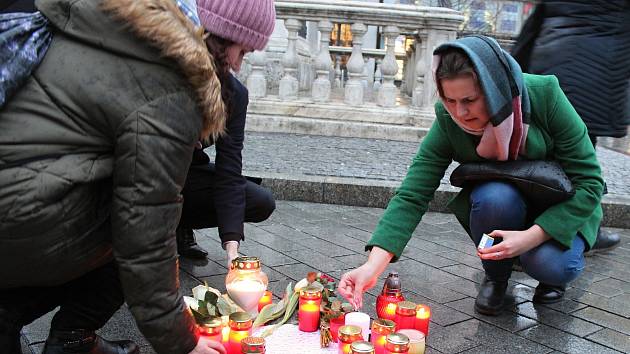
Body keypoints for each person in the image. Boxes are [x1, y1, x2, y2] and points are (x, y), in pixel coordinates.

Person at [0, 0, 275, 354]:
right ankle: (55, 329)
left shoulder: (120, 33)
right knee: (136, 231)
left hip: (20, 194)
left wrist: (232, 249)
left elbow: (226, 171)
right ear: (218, 36)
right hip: (20, 219)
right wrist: (183, 342)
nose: (238, 64)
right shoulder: (171, 79)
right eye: (242, 50)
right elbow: (145, 228)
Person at [338, 36, 604, 316]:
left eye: (470, 100)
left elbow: (590, 183)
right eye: (449, 100)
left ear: (494, 88)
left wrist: (530, 237)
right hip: (503, 205)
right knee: (493, 196)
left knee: (550, 265)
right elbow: (413, 194)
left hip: (559, 206)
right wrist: (372, 266)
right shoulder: (448, 119)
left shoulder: (545, 95)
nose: (460, 113)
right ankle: (496, 276)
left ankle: (553, 270)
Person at [511, 0, 630, 254]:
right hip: (599, 74)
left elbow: (536, 21)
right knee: (583, 159)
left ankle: (524, 230)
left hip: (550, 61)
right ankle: (585, 232)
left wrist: (515, 73)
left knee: (541, 150)